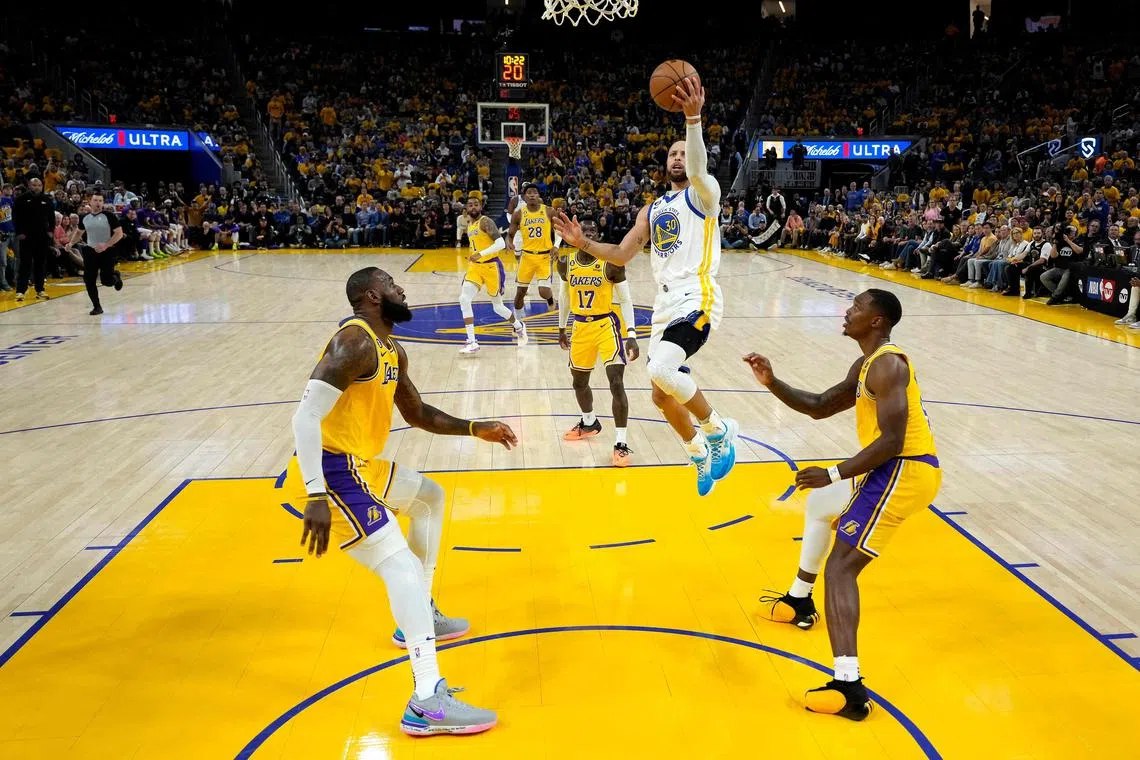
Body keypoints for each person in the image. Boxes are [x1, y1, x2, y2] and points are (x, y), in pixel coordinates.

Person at [284, 266, 517, 736]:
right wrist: (314, 493)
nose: (401, 289)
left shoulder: (391, 349)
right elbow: (304, 417)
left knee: (429, 498)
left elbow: (419, 413)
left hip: (360, 467)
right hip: (331, 471)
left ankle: (422, 610)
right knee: (401, 567)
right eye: (392, 284)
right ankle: (427, 700)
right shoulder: (355, 343)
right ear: (372, 295)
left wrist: (476, 428)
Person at [744, 289, 940, 722]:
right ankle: (799, 601)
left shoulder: (889, 364)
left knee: (842, 567)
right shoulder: (867, 364)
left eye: (856, 307)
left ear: (877, 321)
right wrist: (772, 383)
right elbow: (818, 406)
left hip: (901, 470)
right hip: (891, 469)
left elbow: (890, 442)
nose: (847, 312)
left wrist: (834, 472)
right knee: (820, 506)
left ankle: (849, 687)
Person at [554, 76, 738, 496]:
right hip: (665, 305)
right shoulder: (652, 209)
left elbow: (697, 166)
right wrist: (582, 243)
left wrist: (693, 121)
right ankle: (698, 454)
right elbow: (620, 255)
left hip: (698, 295)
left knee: (660, 369)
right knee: (660, 396)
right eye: (671, 154)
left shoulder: (705, 195)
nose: (678, 159)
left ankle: (719, 429)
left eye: (682, 153)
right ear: (663, 163)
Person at [557, 217, 639, 465]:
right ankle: (589, 421)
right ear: (573, 232)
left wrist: (632, 334)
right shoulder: (565, 263)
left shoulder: (612, 263)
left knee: (616, 383)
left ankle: (621, 443)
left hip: (606, 326)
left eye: (593, 230)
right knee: (579, 382)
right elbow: (564, 296)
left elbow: (625, 300)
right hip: (580, 327)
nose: (588, 232)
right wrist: (562, 327)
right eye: (585, 228)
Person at [458, 195, 525, 354]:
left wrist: (481, 254)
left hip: (491, 267)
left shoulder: (486, 222)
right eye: (470, 205)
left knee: (498, 307)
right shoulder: (470, 224)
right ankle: (472, 341)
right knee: (464, 299)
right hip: (475, 268)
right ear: (466, 209)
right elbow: (474, 249)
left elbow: (501, 244)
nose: (473, 207)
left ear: (481, 206)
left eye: (476, 204)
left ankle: (517, 325)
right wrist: (470, 266)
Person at [505, 183, 559, 321]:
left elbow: (559, 229)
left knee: (543, 292)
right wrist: (508, 240)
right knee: (520, 293)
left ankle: (550, 299)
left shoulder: (548, 210)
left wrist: (556, 245)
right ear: (525, 196)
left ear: (539, 195)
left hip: (544, 257)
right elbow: (511, 233)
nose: (532, 195)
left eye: (535, 192)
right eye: (529, 192)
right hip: (527, 257)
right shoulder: (519, 214)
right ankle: (519, 322)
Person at [80, 193, 125, 315]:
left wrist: (106, 245)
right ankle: (97, 306)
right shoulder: (84, 217)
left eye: (100, 200)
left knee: (107, 281)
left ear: (103, 203)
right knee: (89, 280)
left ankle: (115, 277)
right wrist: (70, 243)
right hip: (90, 251)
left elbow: (119, 234)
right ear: (90, 202)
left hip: (107, 252)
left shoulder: (109, 216)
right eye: (95, 200)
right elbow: (79, 232)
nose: (98, 203)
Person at [12, 178, 56, 302]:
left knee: (40, 264)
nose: (37, 187)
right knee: (25, 264)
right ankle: (20, 291)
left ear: (42, 186)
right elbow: (15, 217)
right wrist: (19, 232)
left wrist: (51, 231)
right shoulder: (21, 200)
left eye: (39, 185)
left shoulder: (46, 200)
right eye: (34, 185)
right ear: (29, 186)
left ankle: (40, 290)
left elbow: (52, 217)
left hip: (42, 237)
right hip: (26, 237)